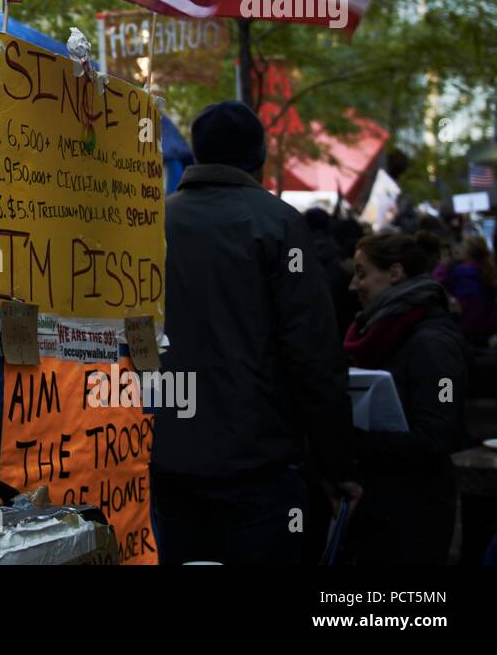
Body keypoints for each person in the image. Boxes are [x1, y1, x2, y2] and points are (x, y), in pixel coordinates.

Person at [152, 100, 360, 565]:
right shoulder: (279, 223)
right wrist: (336, 464)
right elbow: (313, 355)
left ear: (198, 154)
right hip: (256, 467)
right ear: (259, 157)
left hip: (166, 459)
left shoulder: (153, 222)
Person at [345, 231, 470, 564]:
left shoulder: (432, 343)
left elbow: (435, 436)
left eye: (361, 273)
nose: (353, 286)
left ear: (395, 273)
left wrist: (354, 441)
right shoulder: (380, 331)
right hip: (385, 505)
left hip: (415, 514)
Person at [433, 235, 497, 347]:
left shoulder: (460, 273)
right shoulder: (488, 271)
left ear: (468, 252)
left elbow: (435, 285)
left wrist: (442, 266)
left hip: (464, 330)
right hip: (486, 330)